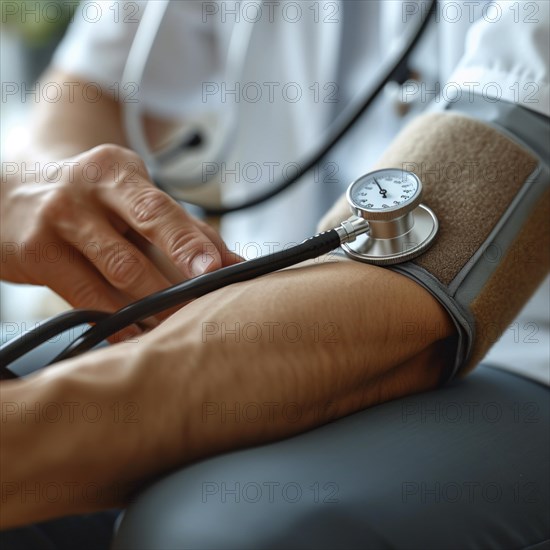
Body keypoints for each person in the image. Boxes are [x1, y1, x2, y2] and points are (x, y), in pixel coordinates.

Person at [1, 0, 548, 544]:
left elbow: (429, 271)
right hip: (243, 311)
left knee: (214, 532)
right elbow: (83, 93)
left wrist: (27, 438)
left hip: (515, 352)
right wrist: (55, 181)